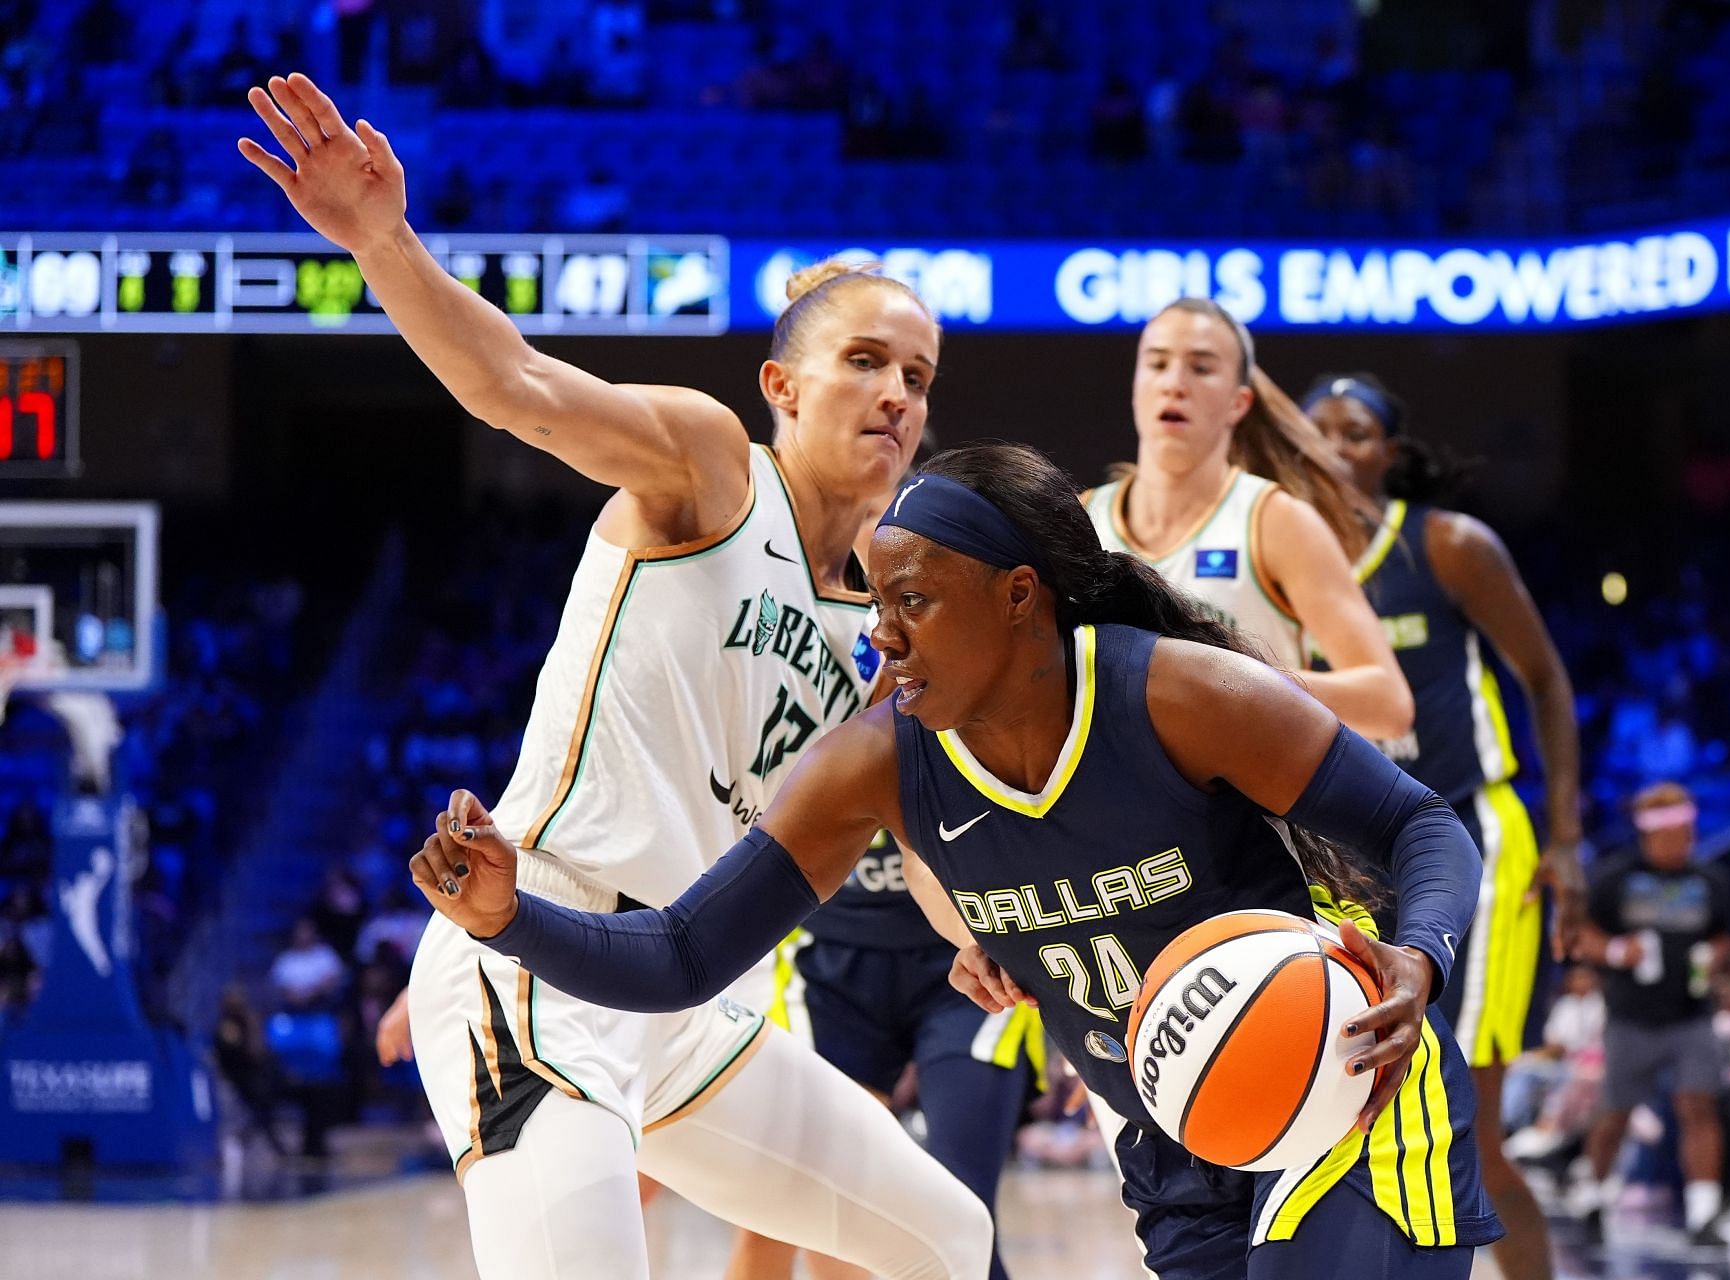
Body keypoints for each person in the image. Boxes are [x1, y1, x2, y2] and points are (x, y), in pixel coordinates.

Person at [416, 443, 1502, 1279]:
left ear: (1020, 597)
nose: (880, 633)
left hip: (1350, 1079)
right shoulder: (873, 763)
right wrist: (509, 920)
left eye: (914, 601)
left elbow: (1421, 826)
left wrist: (1422, 958)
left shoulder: (1173, 693)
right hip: (1175, 1132)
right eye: (876, 602)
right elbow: (683, 953)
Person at [240, 72, 992, 1280]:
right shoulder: (707, 467)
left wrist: (975, 930)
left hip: (694, 993)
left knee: (950, 1235)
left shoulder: (888, 606)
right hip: (543, 949)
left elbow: (895, 820)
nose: (899, 394)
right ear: (784, 388)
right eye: (867, 360)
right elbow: (513, 385)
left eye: (919, 375)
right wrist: (385, 244)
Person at [1303, 371, 1586, 1280]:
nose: (1338, 446)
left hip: (1471, 835)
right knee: (1358, 1121)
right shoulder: (1286, 560)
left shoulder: (1449, 546)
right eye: (1322, 430)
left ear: (1389, 452)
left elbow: (1546, 679)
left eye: (1357, 432)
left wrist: (1571, 840)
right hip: (1347, 853)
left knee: (1461, 1118)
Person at [731, 462, 1037, 1280]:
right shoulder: (786, 629)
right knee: (812, 1216)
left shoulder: (972, 654)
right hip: (831, 959)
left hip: (961, 960)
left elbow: (923, 839)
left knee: (957, 1212)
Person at [1084, 300, 1413, 741]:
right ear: (1136, 385)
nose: (1174, 384)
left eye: (1201, 368)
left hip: (1250, 806)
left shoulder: (1276, 521)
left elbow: (1387, 704)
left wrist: (1234, 682)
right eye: (1157, 364)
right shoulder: (1082, 519)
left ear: (1238, 403)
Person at [1572, 781, 1730, 1242]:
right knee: (1615, 1112)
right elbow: (1583, 934)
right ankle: (1592, 1197)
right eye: (1676, 831)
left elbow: (1725, 935)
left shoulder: (1711, 880)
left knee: (1697, 1105)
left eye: (1689, 829)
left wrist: (1713, 957)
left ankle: (1704, 1214)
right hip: (1629, 1017)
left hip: (1691, 1015)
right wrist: (1617, 951)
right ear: (1650, 834)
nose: (1685, 839)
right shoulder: (1615, 878)